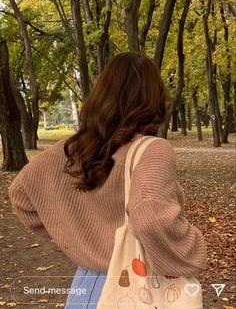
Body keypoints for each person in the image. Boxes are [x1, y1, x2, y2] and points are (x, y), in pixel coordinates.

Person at [8, 52, 207, 308]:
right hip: (136, 288)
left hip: (84, 287)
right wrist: (192, 249)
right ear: (154, 98)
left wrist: (77, 236)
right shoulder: (153, 150)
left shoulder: (70, 151)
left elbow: (21, 195)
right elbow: (151, 219)